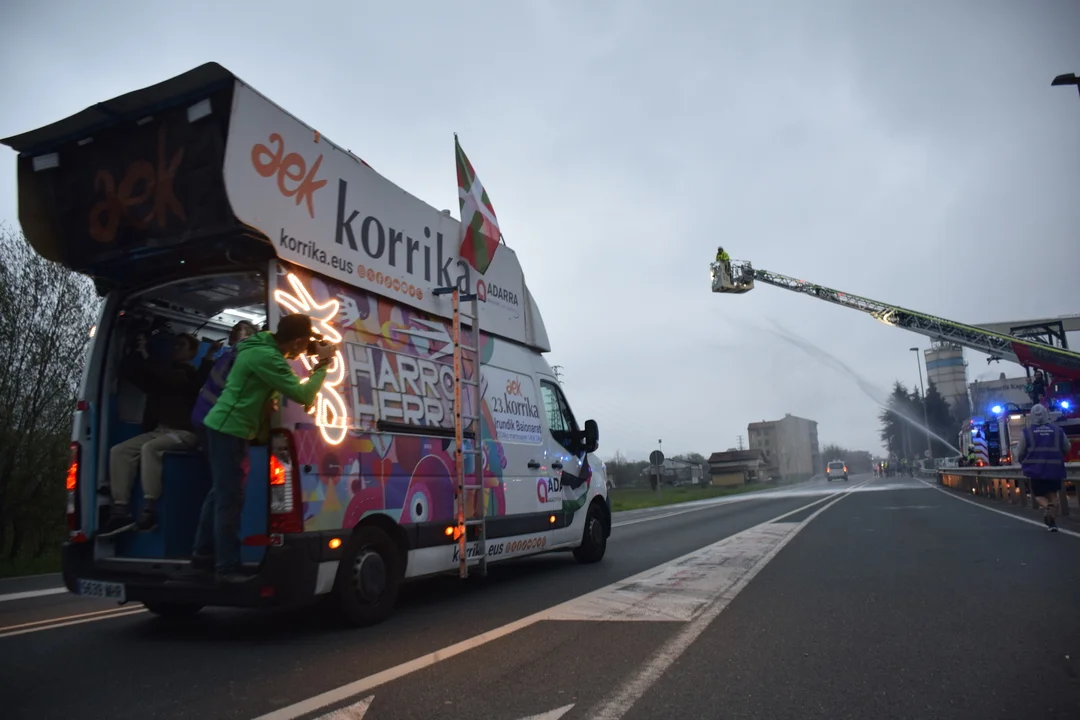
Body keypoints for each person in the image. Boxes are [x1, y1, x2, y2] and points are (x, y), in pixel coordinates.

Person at [191, 313, 337, 583]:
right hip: (229, 429)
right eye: (303, 345)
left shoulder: (262, 344)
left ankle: (202, 557)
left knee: (219, 495)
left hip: (224, 426)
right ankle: (226, 568)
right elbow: (303, 394)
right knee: (230, 500)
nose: (303, 351)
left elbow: (275, 367)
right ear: (297, 341)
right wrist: (323, 365)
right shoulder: (267, 357)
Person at [100, 332, 203, 536]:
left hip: (184, 433)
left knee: (150, 449)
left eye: (181, 345)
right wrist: (135, 352)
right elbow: (137, 376)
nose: (176, 348)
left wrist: (146, 355)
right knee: (119, 451)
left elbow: (169, 377)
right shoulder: (163, 376)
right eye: (174, 345)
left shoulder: (191, 375)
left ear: (192, 352)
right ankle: (120, 510)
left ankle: (150, 509)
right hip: (160, 431)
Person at [191, 319, 258, 444]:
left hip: (216, 420)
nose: (231, 331)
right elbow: (205, 377)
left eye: (237, 329)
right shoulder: (228, 355)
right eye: (232, 328)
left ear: (249, 336)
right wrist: (211, 352)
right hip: (207, 416)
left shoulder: (242, 355)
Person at [1016, 404, 1071, 532]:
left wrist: (1023, 462)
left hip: (1036, 470)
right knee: (1053, 495)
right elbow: (1067, 448)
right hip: (1055, 469)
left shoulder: (1027, 432)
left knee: (1039, 496)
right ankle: (1052, 523)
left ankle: (1047, 507)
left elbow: (1020, 452)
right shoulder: (1058, 431)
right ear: (1047, 414)